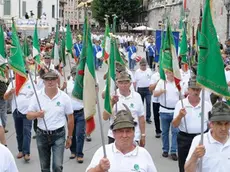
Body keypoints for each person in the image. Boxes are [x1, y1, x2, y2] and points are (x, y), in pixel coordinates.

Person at [27, 70, 74, 172]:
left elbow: (70, 118)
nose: (50, 82)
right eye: (47, 80)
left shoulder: (64, 98)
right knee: (44, 167)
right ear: (43, 82)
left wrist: (69, 137)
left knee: (57, 166)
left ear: (57, 80)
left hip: (59, 135)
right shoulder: (37, 96)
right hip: (41, 135)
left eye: (52, 79)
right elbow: (28, 115)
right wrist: (37, 114)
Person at [86, 109, 157, 172]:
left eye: (128, 131)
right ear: (114, 133)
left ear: (134, 133)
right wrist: (99, 169)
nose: (124, 135)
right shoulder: (103, 152)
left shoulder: (144, 154)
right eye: (120, 131)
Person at [172, 75, 212, 172]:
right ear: (188, 89)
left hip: (201, 138)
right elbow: (175, 124)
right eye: (193, 89)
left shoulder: (206, 105)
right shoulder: (180, 104)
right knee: (183, 166)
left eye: (198, 90)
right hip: (185, 138)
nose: (195, 92)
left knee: (201, 165)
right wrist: (180, 116)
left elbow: (211, 125)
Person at [103, 71, 145, 146]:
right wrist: (112, 103)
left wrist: (143, 135)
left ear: (130, 83)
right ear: (117, 84)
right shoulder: (111, 96)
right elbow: (105, 117)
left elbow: (141, 117)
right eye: (121, 83)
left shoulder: (137, 96)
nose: (123, 85)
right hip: (114, 135)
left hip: (133, 136)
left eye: (126, 83)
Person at [185, 102, 230, 172]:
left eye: (226, 123)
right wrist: (195, 156)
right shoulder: (200, 141)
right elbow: (187, 170)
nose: (223, 128)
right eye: (219, 124)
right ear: (211, 124)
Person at [4, 74, 35, 162]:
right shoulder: (13, 83)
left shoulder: (31, 83)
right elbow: (5, 97)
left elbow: (37, 96)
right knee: (19, 132)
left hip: (28, 112)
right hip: (16, 111)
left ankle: (26, 152)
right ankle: (21, 150)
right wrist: (10, 92)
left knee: (27, 131)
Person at [153, 70, 179, 161]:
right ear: (166, 73)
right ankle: (165, 149)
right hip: (164, 110)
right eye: (169, 72)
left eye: (172, 72)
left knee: (175, 132)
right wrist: (161, 91)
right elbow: (155, 94)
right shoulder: (161, 82)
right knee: (165, 132)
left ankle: (173, 151)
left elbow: (182, 95)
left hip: (175, 111)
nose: (171, 74)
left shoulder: (178, 82)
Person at [67, 66, 86, 163]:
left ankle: (79, 153)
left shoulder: (83, 84)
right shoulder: (68, 84)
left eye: (77, 74)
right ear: (71, 74)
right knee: (72, 133)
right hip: (70, 113)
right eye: (74, 74)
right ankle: (73, 151)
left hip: (81, 112)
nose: (75, 76)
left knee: (80, 134)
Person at [134, 58, 153, 124]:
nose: (144, 67)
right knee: (140, 105)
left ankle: (148, 118)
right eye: (142, 65)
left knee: (148, 103)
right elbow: (135, 82)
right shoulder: (137, 72)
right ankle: (140, 117)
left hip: (148, 90)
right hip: (140, 90)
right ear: (140, 65)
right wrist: (134, 90)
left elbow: (152, 80)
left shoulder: (149, 71)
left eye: (145, 65)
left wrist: (152, 89)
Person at [149, 65, 161, 138]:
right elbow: (150, 88)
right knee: (156, 116)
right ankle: (158, 131)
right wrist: (157, 82)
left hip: (165, 101)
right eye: (159, 66)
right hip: (156, 100)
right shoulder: (154, 76)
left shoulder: (169, 74)